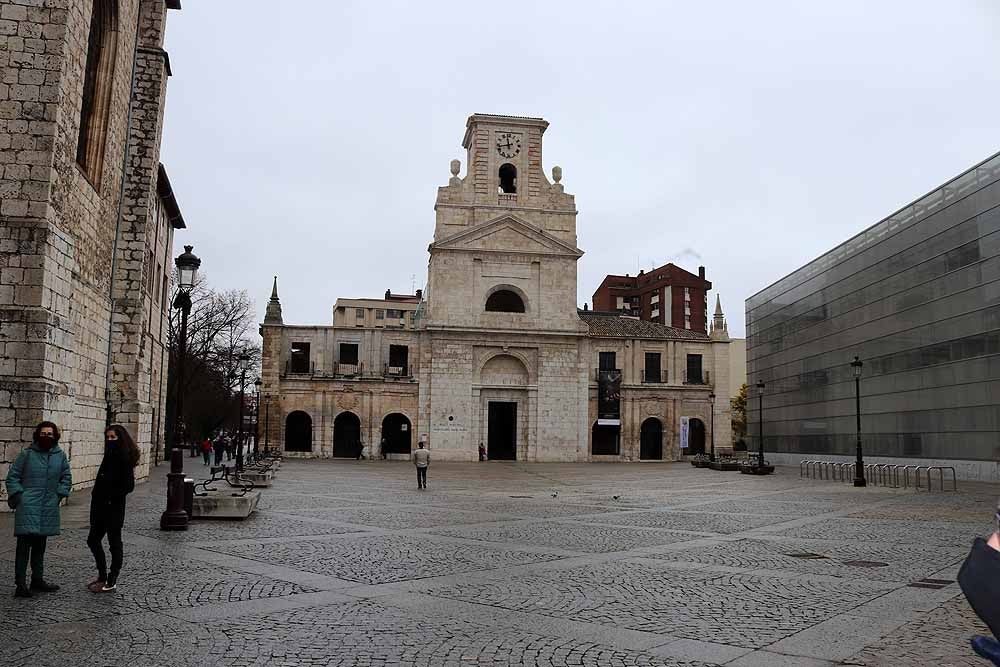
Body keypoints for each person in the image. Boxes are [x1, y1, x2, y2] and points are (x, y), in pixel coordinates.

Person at [4, 421, 72, 598]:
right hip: (28, 506)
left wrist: (59, 494)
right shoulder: (26, 454)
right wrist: (20, 497)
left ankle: (37, 579)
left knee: (40, 547)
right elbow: (13, 477)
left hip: (48, 507)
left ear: (55, 435)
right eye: (43, 433)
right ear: (37, 434)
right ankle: (20, 584)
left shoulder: (60, 455)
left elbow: (66, 477)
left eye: (50, 434)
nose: (47, 436)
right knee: (23, 548)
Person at [86, 424, 138, 593]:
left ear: (120, 439)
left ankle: (112, 579)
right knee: (93, 540)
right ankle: (102, 576)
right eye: (107, 437)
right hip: (100, 507)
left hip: (113, 508)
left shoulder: (123, 458)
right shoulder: (109, 455)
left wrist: (110, 495)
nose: (109, 440)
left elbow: (129, 486)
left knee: (114, 543)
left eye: (113, 437)